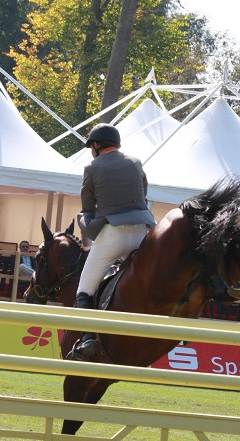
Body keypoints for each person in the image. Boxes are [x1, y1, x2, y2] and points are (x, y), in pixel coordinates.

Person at [68, 123, 155, 361]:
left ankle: (87, 340)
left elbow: (88, 205)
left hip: (113, 235)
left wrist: (88, 223)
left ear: (96, 145)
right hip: (141, 233)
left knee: (83, 291)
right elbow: (144, 194)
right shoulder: (136, 162)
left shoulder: (92, 167)